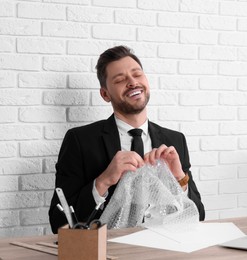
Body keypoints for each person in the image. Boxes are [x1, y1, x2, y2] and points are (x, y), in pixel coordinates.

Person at [49, 45, 205, 233]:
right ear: (105, 94)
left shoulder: (174, 140)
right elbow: (58, 223)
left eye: (137, 75)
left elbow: (199, 215)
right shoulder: (80, 140)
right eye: (120, 79)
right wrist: (103, 181)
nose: (132, 82)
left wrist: (179, 178)